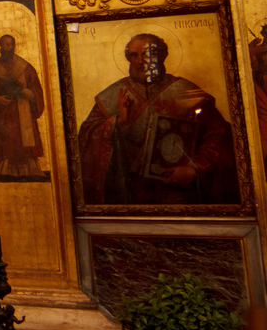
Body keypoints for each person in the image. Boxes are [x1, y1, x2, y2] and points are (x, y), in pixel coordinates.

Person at [78, 33, 238, 205]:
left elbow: (219, 137)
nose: (141, 61)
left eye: (148, 54)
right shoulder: (111, 96)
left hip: (177, 192)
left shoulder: (185, 91)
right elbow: (86, 138)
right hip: (128, 195)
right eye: (134, 55)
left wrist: (194, 169)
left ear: (161, 56)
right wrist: (117, 123)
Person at [0, 35, 45, 180]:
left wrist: (24, 91)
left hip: (24, 111)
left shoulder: (25, 66)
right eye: (4, 45)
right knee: (6, 141)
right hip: (4, 111)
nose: (7, 48)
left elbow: (36, 90)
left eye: (10, 45)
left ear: (14, 46)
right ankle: (4, 171)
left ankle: (30, 171)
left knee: (25, 141)